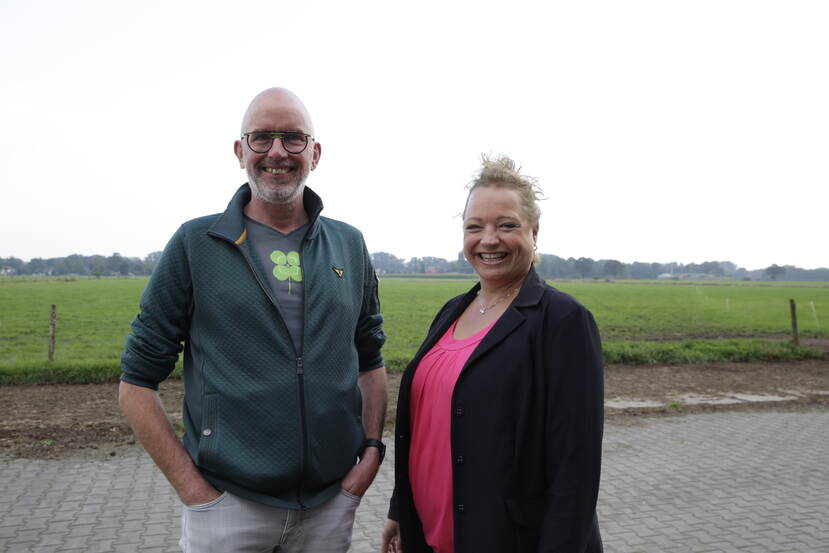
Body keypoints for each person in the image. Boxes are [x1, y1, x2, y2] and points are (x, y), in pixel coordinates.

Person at [119, 87, 388, 553]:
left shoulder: (349, 244)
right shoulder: (195, 244)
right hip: (228, 507)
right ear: (240, 151)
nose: (278, 152)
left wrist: (369, 455)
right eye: (261, 138)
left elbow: (370, 360)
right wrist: (195, 492)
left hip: (329, 506)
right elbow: (136, 383)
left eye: (294, 138)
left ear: (316, 153)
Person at [381, 156, 604, 553]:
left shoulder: (562, 321)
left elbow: (576, 468)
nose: (489, 239)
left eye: (506, 225)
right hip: (429, 537)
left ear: (533, 232)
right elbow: (425, 429)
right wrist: (400, 510)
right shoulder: (452, 311)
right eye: (474, 226)